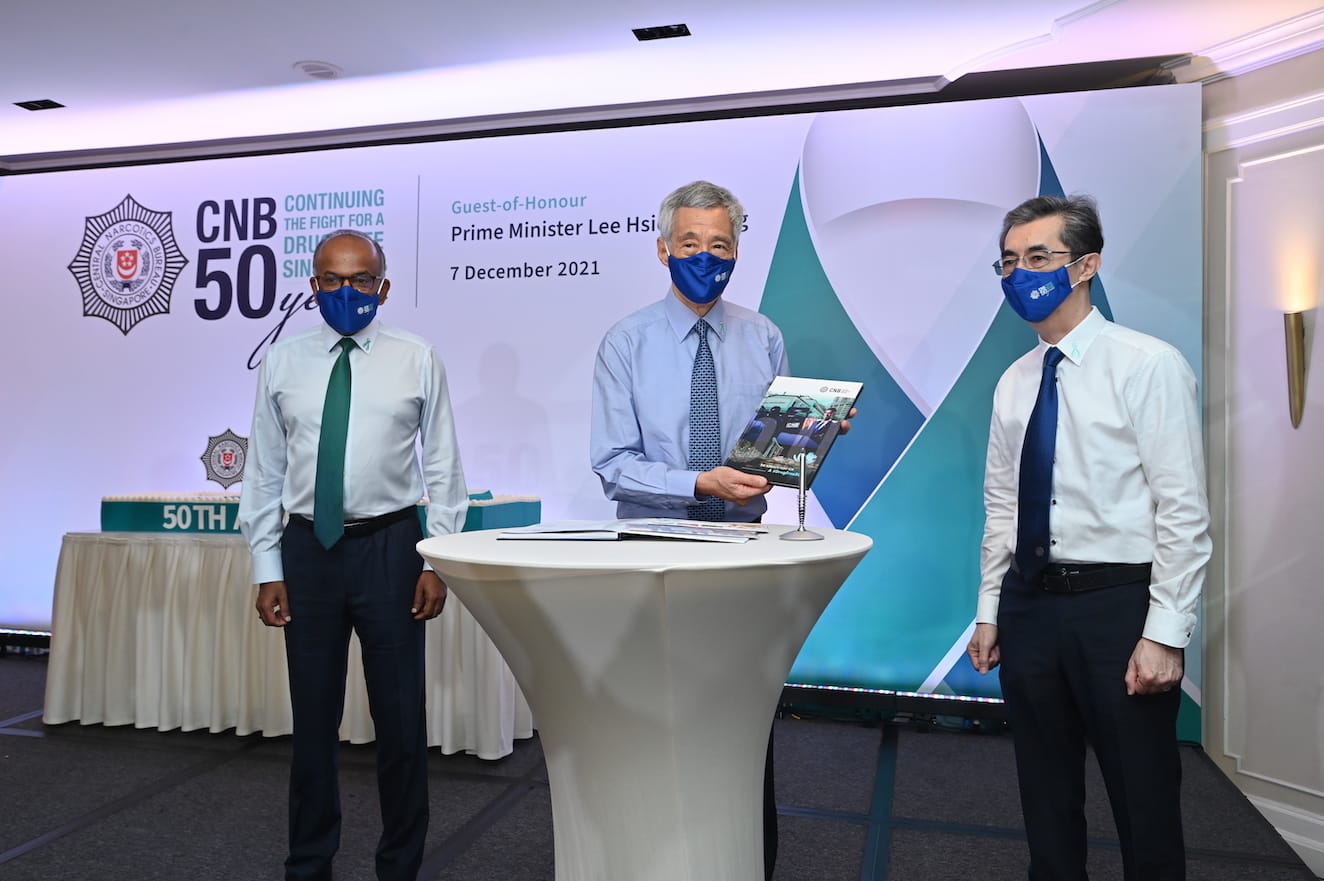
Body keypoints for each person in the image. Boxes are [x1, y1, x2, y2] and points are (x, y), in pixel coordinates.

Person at [966, 195, 1211, 881]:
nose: (1021, 274)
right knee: (1044, 796)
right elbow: (1001, 503)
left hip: (1117, 608)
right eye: (1009, 261)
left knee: (1145, 798)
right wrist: (990, 607)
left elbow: (1182, 511)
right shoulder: (1015, 381)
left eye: (1038, 257)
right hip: (1028, 606)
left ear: (1086, 266)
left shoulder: (1147, 364)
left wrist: (1165, 632)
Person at [238, 229, 469, 881]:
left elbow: (445, 465)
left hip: (392, 550)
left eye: (360, 280)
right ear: (313, 288)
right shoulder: (283, 361)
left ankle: (400, 866)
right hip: (307, 549)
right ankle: (308, 864)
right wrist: (267, 565)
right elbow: (263, 469)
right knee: (312, 725)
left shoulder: (417, 357)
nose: (347, 292)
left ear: (383, 286)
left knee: (400, 724)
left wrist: (437, 559)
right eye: (332, 281)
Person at [589, 180, 787, 879]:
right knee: (653, 720)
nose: (706, 256)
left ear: (738, 247)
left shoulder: (764, 336)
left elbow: (771, 459)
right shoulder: (626, 342)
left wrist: (810, 441)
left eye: (720, 244)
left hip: (745, 552)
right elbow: (612, 465)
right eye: (691, 243)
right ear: (663, 248)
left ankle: (747, 859)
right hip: (654, 552)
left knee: (746, 720)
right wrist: (696, 481)